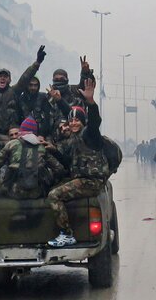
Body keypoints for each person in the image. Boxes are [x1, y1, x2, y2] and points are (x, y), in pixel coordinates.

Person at [45, 78, 109, 247]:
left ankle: (66, 234)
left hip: (90, 181)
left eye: (77, 121)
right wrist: (53, 150)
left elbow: (94, 121)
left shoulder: (90, 134)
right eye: (71, 121)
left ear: (83, 122)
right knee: (51, 188)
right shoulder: (74, 138)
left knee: (54, 196)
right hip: (81, 179)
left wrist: (90, 102)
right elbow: (67, 162)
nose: (73, 123)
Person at [0, 116, 65, 199]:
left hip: (13, 191)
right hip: (37, 192)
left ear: (21, 131)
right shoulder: (41, 147)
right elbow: (59, 169)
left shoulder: (12, 144)